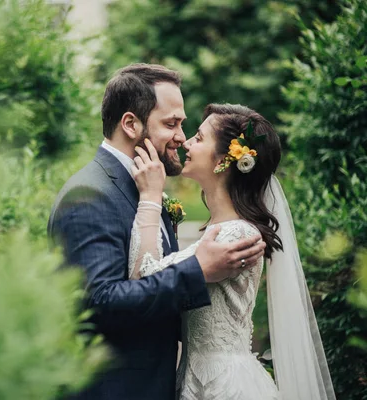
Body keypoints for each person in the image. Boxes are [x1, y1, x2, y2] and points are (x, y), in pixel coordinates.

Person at [47, 64, 265, 400]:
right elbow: (99, 303)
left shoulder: (145, 186)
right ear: (131, 124)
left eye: (183, 124)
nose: (181, 136)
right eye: (171, 123)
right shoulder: (89, 195)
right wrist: (198, 270)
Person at [130, 103, 336, 399]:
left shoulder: (236, 233)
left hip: (222, 387)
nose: (186, 142)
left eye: (199, 139)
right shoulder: (221, 228)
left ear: (224, 161)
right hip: (200, 378)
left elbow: (145, 277)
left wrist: (150, 197)